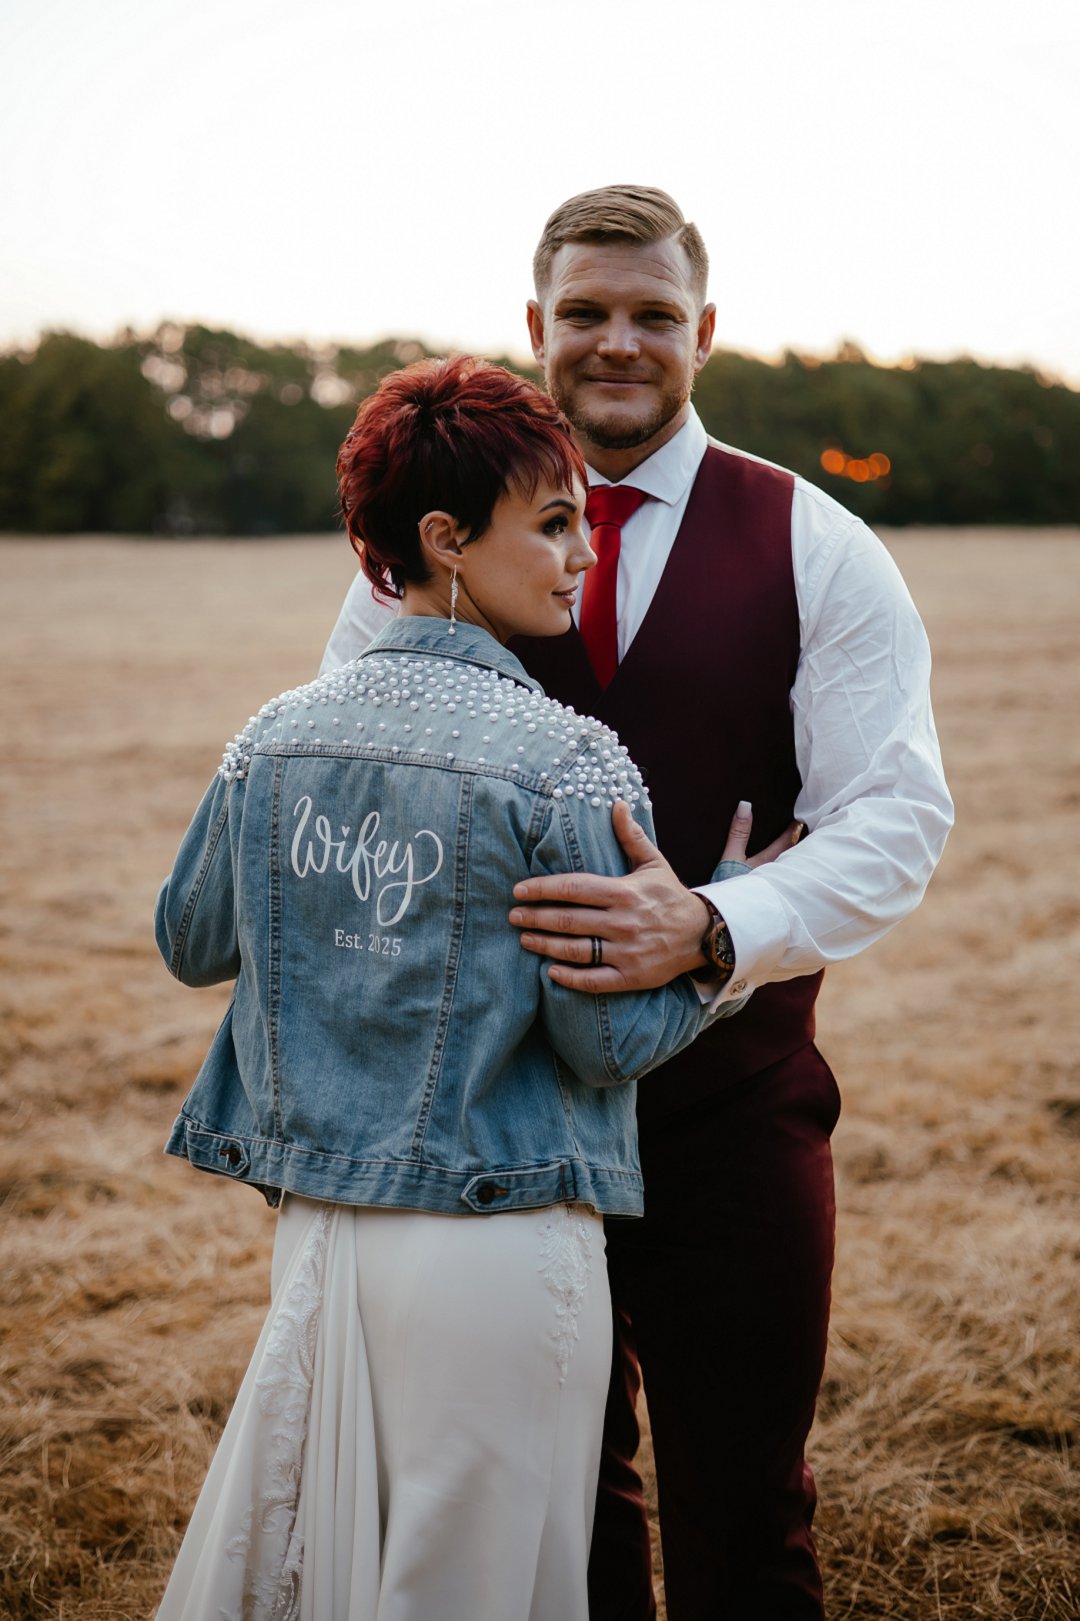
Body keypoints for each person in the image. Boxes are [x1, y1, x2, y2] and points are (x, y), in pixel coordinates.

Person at [321, 187, 954, 1620]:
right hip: (498, 1120)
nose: (619, 341)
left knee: (746, 1515)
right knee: (549, 1521)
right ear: (534, 325)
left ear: (704, 333)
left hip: (736, 1110)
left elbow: (898, 815)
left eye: (653, 314)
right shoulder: (428, 540)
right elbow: (353, 776)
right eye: (588, 312)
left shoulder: (815, 542)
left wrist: (714, 927)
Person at [152, 356, 769, 1621]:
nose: (583, 554)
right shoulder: (570, 762)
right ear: (443, 540)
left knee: (336, 1565)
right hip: (498, 1239)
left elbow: (190, 938)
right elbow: (600, 1046)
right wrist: (715, 940)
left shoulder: (274, 733)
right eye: (554, 523)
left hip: (322, 1235)